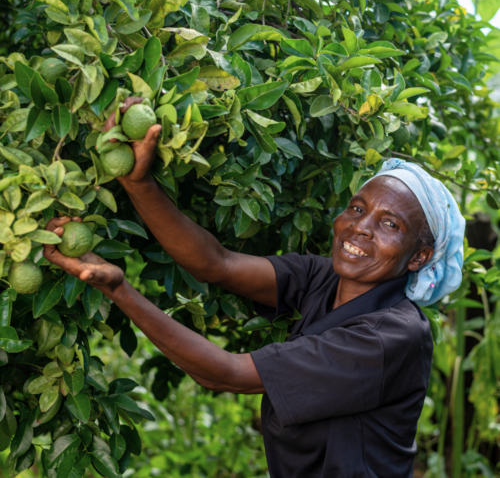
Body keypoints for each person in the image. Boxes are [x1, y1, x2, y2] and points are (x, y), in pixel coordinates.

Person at [42, 99, 466, 477]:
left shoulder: (392, 335)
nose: (361, 227)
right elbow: (217, 264)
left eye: (391, 224)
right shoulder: (326, 278)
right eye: (357, 207)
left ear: (418, 257)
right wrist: (138, 183)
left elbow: (227, 372)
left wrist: (120, 289)